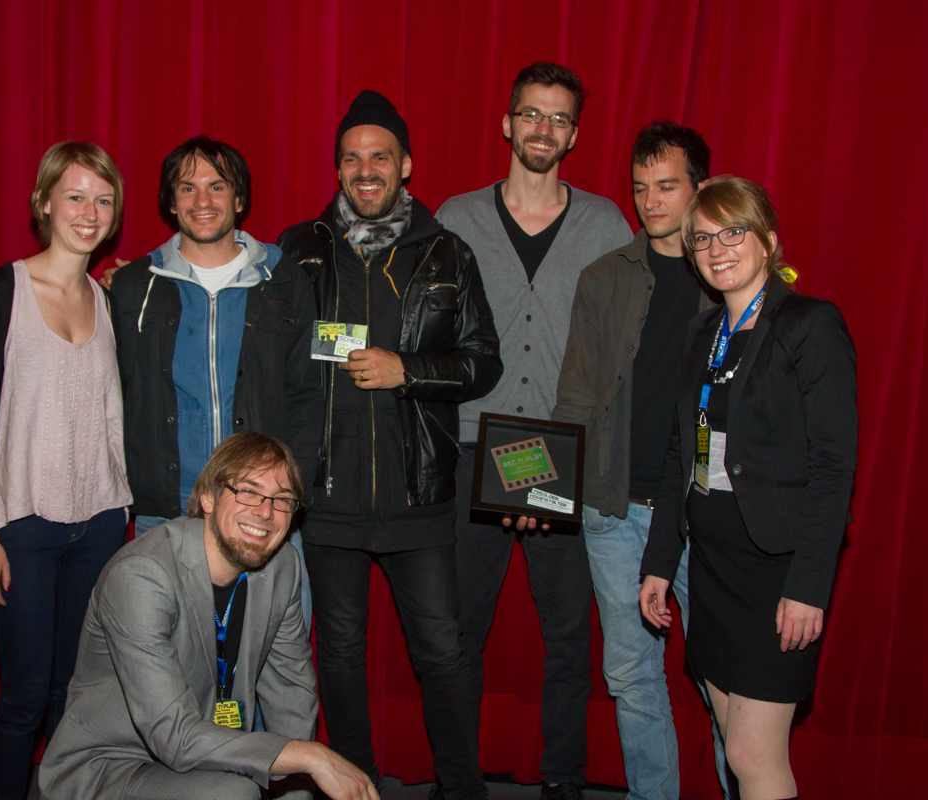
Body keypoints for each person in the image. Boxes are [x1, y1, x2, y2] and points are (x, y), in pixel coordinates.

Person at [277, 90, 502, 800]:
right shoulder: (300, 248)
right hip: (328, 495)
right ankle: (354, 784)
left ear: (406, 164)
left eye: (380, 156)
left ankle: (461, 787)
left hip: (419, 495)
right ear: (338, 168)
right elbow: (268, 345)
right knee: (338, 655)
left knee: (442, 654)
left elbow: (483, 361)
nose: (365, 169)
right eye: (351, 157)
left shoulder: (446, 251)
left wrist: (410, 371)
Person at [437, 62, 632, 800]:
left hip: (562, 450)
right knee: (458, 634)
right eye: (531, 114)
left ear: (574, 135)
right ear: (507, 123)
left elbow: (623, 351)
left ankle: (563, 784)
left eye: (557, 119)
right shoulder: (455, 218)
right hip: (465, 447)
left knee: (567, 642)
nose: (542, 129)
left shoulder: (608, 223)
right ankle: (458, 782)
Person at [639, 175, 857, 800]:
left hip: (776, 571)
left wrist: (809, 589)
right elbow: (681, 453)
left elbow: (834, 466)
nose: (717, 248)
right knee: (734, 735)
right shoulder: (702, 334)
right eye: (702, 238)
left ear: (768, 240)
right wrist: (660, 563)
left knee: (751, 752)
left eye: (733, 231)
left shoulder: (810, 326)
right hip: (713, 569)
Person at [38, 432, 378, 800]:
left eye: (282, 499)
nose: (265, 511)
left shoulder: (283, 568)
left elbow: (290, 694)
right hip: (110, 765)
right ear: (208, 498)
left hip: (203, 755)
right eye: (248, 490)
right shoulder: (141, 576)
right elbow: (174, 735)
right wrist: (310, 757)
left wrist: (297, 787)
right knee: (234, 794)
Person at [0, 141, 133, 800]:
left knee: (72, 697)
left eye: (103, 200)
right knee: (23, 699)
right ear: (44, 202)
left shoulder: (109, 299)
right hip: (20, 528)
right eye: (76, 195)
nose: (89, 212)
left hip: (102, 527)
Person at [551, 120, 730, 800]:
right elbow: (574, 393)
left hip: (703, 515)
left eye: (667, 186)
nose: (651, 201)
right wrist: (547, 494)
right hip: (614, 508)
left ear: (700, 188)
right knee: (630, 675)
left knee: (726, 681)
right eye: (639, 188)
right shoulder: (604, 278)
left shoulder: (729, 275)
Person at [106, 136, 321, 626]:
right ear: (171, 202)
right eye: (187, 188)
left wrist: (288, 493)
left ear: (239, 198)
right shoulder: (135, 286)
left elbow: (309, 397)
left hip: (262, 516)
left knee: (268, 669)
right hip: (166, 516)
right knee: (168, 670)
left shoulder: (284, 281)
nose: (202, 201)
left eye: (216, 186)